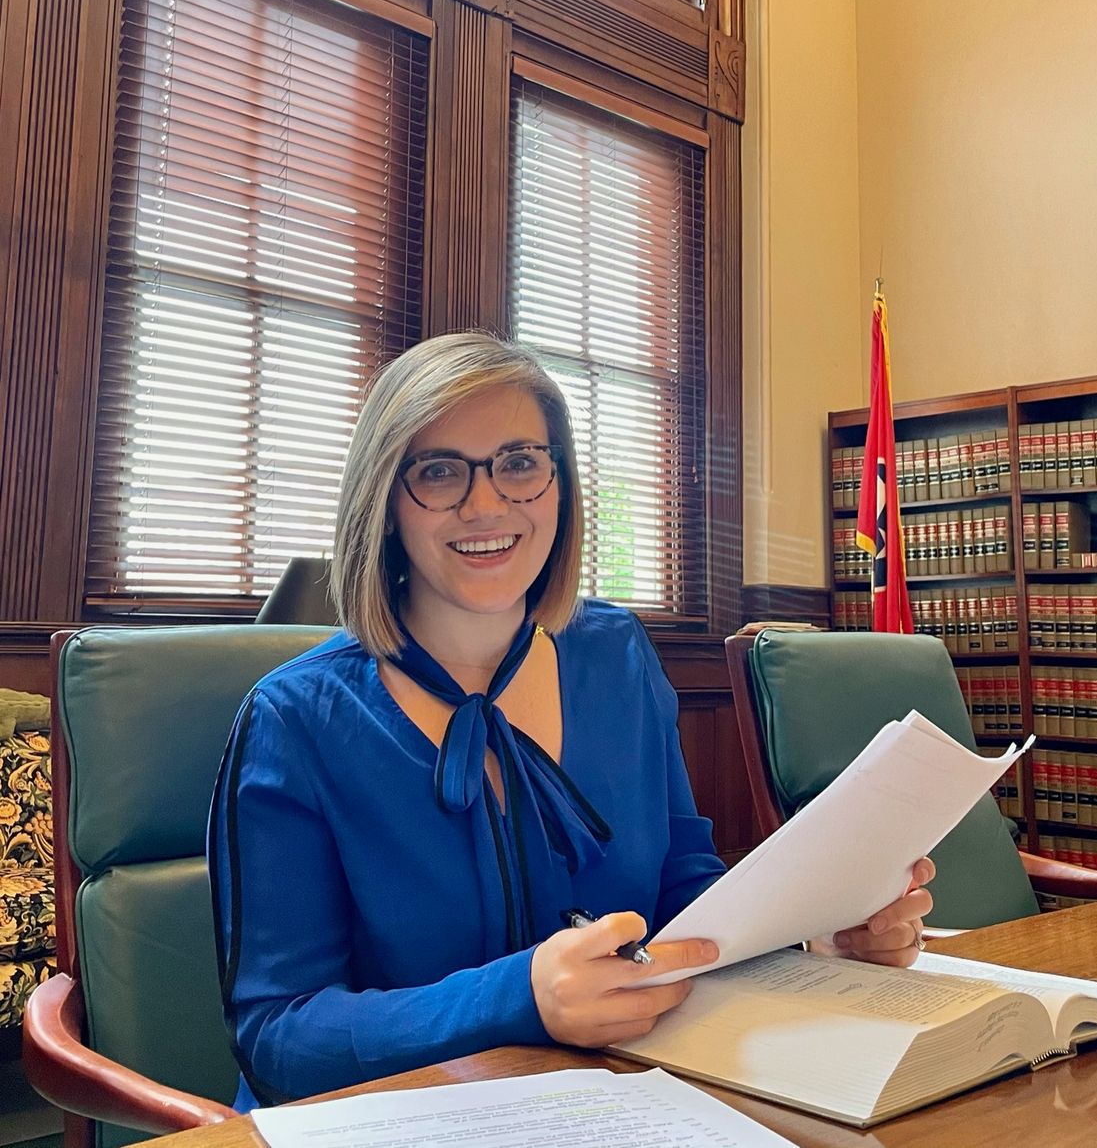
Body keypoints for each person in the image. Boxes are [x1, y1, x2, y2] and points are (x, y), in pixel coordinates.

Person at [209, 332, 934, 1109]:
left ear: (560, 484)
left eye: (520, 462)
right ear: (385, 501)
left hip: (628, 1103)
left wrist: (816, 935)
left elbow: (687, 893)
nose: (486, 504)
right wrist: (519, 996)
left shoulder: (615, 655)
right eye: (439, 470)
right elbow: (277, 1037)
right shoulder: (292, 720)